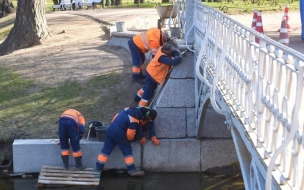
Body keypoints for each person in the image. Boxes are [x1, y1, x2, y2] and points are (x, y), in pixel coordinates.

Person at [96, 107, 158, 176]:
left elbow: (116, 116)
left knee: (105, 151)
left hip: (110, 130)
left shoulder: (128, 109)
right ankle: (132, 170)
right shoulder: (134, 120)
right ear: (146, 116)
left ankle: (98, 168)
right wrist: (130, 141)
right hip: (119, 134)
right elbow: (130, 134)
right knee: (127, 152)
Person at [134, 43, 182, 107]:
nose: (171, 51)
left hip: (151, 72)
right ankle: (141, 108)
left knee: (149, 87)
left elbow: (173, 52)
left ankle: (137, 97)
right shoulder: (162, 57)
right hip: (152, 75)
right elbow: (172, 62)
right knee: (148, 92)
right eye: (169, 51)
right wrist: (179, 58)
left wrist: (176, 55)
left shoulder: (163, 49)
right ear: (165, 50)